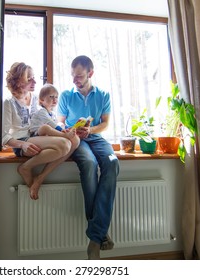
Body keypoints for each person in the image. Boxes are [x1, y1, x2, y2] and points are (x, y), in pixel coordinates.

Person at [57, 55, 120, 260]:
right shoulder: (66, 95)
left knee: (112, 162)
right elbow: (60, 122)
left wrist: (91, 129)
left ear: (90, 73)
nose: (75, 80)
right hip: (77, 140)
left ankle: (95, 235)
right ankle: (99, 234)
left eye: (79, 76)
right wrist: (71, 130)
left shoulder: (103, 95)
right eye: (73, 76)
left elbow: (105, 124)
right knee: (89, 163)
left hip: (96, 137)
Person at [2, 62, 78, 200]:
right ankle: (25, 168)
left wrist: (63, 128)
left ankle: (39, 178)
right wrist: (22, 145)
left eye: (34, 77)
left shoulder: (36, 99)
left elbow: (46, 119)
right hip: (22, 142)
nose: (35, 81)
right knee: (64, 144)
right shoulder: (8, 103)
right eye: (29, 78)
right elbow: (3, 136)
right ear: (18, 82)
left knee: (75, 140)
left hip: (37, 136)